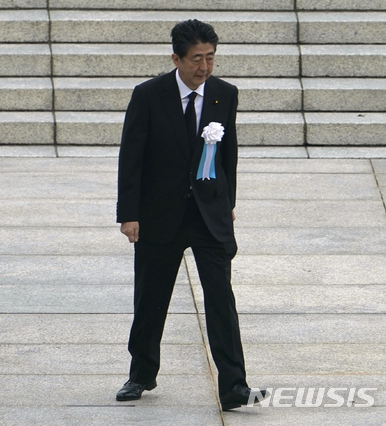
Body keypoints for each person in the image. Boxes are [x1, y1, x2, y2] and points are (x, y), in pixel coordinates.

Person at [115, 19, 269, 411]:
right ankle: (141, 374)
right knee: (150, 298)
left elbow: (228, 154)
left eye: (211, 58)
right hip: (160, 215)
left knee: (221, 300)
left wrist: (227, 202)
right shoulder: (149, 95)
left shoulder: (225, 94)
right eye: (197, 59)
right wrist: (129, 214)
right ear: (177, 58)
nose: (204, 67)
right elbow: (131, 159)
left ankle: (234, 386)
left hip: (208, 216)